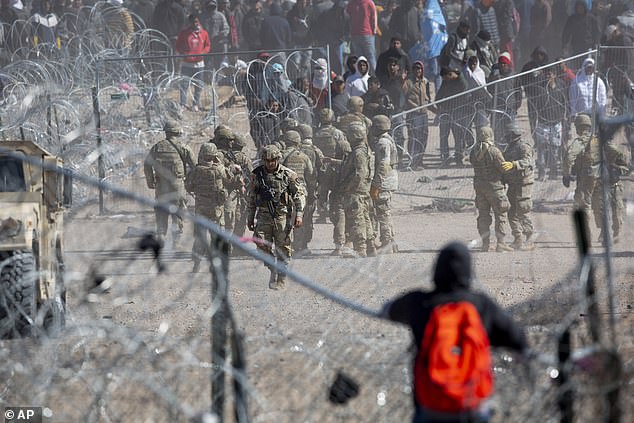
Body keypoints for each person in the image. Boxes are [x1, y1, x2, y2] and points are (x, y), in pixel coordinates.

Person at [381, 241, 528, 423]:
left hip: (431, 406)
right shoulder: (480, 305)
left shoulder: (419, 302)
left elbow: (388, 311)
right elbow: (518, 339)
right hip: (472, 407)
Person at [247, 144, 306, 290]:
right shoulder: (257, 175)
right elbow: (252, 197)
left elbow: (299, 195)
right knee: (260, 244)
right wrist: (249, 217)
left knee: (283, 248)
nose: (270, 163)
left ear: (278, 159)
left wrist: (299, 214)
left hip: (282, 216)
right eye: (267, 160)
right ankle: (272, 267)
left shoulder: (288, 175)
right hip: (263, 217)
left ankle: (281, 277)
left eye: (273, 160)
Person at [144, 121, 196, 246]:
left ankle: (161, 234)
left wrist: (151, 182)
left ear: (166, 132)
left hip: (161, 186)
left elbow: (147, 164)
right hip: (177, 185)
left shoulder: (157, 147)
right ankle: (176, 241)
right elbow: (195, 167)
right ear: (178, 132)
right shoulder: (183, 147)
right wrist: (190, 183)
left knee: (161, 210)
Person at [185, 143, 234, 272]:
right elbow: (230, 179)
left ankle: (196, 264)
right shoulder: (219, 170)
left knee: (200, 237)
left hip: (201, 208)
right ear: (215, 156)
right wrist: (221, 165)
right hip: (216, 209)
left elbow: (188, 187)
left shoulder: (196, 170)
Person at [470, 126, 512, 252]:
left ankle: (485, 243)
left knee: (483, 215)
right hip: (495, 187)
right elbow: (503, 167)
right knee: (501, 214)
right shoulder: (494, 151)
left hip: (479, 187)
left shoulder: (474, 151)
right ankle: (501, 243)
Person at [340, 122, 375, 257]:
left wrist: (349, 188)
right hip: (363, 190)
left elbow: (359, 174)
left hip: (357, 191)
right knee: (365, 217)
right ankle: (371, 247)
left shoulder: (358, 152)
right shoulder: (364, 149)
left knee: (357, 219)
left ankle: (360, 248)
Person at [502, 123, 536, 251]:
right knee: (511, 211)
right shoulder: (509, 148)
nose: (505, 137)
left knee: (522, 209)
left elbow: (528, 162)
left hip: (523, 183)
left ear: (512, 135)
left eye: (507, 135)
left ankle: (530, 238)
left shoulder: (524, 147)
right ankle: (518, 238)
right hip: (513, 183)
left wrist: (514, 164)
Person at [313, 108, 350, 224]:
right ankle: (335, 213)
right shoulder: (337, 133)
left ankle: (322, 214)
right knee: (336, 191)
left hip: (322, 166)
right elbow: (345, 148)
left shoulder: (316, 133)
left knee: (322, 191)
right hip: (335, 166)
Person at [532, 65, 568, 180]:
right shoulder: (540, 88)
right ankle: (541, 173)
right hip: (543, 123)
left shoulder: (560, 87)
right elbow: (534, 106)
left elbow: (565, 103)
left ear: (555, 75)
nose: (548, 76)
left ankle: (553, 173)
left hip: (556, 123)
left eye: (550, 74)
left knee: (554, 149)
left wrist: (566, 120)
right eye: (546, 74)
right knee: (541, 148)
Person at [370, 115, 398, 253]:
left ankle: (387, 243)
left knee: (382, 213)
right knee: (384, 212)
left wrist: (376, 185)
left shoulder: (382, 143)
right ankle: (390, 242)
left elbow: (382, 165)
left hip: (384, 181)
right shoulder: (387, 139)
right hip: (387, 179)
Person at [434, 66, 469, 166]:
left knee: (459, 136)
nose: (444, 80)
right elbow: (439, 96)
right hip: (446, 112)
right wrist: (440, 105)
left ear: (449, 74)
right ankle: (445, 158)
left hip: (458, 112)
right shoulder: (446, 82)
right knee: (443, 136)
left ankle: (459, 158)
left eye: (445, 78)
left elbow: (464, 98)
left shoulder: (462, 82)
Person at [175, 14, 211, 112]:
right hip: (187, 64)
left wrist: (203, 52)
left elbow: (207, 46)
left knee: (198, 86)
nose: (195, 24)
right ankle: (183, 104)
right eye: (193, 22)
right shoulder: (184, 33)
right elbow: (178, 46)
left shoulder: (203, 33)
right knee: (184, 85)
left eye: (197, 21)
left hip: (199, 64)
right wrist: (183, 54)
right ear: (189, 22)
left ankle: (195, 104)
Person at [406, 61, 432, 169]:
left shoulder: (425, 82)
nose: (418, 71)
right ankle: (412, 161)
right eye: (416, 68)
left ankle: (420, 160)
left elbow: (428, 98)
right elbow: (406, 99)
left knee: (423, 138)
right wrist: (415, 107)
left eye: (420, 68)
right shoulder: (408, 82)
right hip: (413, 114)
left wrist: (434, 109)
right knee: (414, 138)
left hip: (423, 114)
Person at [346, 0, 377, 71]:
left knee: (360, 58)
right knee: (371, 57)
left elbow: (347, 17)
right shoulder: (369, 2)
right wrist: (374, 30)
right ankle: (375, 78)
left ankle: (362, 76)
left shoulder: (351, 3)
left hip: (355, 34)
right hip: (367, 33)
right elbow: (374, 17)